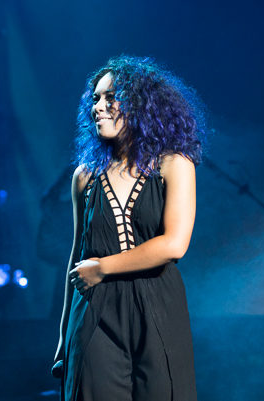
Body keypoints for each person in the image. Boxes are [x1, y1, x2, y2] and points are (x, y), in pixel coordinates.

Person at [52, 55, 206, 401]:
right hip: (94, 311)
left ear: (141, 104)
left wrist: (103, 267)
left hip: (158, 306)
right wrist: (63, 337)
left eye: (111, 97)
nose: (98, 107)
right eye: (95, 98)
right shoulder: (84, 177)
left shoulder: (174, 164)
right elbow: (76, 257)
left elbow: (174, 244)